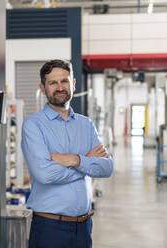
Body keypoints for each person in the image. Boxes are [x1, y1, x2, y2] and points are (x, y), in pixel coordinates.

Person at [21, 59, 114, 248]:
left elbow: (107, 167)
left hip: (84, 227)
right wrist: (87, 163)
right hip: (50, 228)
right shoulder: (33, 125)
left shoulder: (85, 124)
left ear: (73, 84)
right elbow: (45, 175)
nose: (59, 87)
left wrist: (74, 160)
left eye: (64, 81)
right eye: (53, 83)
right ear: (43, 87)